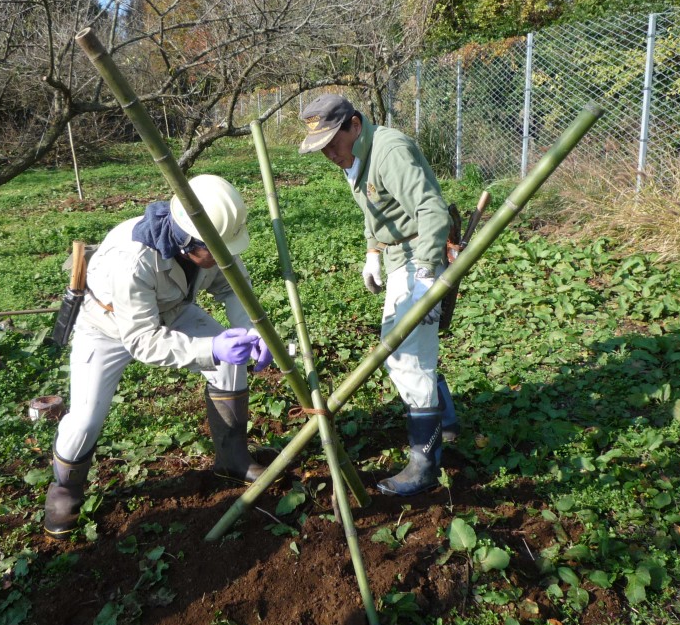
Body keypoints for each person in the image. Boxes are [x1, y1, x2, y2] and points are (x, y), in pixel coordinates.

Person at [44, 174, 273, 538]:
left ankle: (232, 457)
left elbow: (234, 288)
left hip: (173, 309)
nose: (225, 256)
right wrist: (210, 348)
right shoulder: (132, 260)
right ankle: (65, 489)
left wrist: (252, 330)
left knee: (231, 366)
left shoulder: (208, 245)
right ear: (188, 243)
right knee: (85, 419)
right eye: (218, 249)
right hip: (107, 326)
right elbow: (142, 340)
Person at [298, 94, 459, 497]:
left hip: (421, 252)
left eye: (333, 142)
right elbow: (375, 210)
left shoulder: (389, 151)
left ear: (355, 124)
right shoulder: (355, 154)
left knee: (405, 356)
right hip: (396, 256)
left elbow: (433, 211)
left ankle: (424, 467)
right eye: (321, 148)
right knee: (410, 351)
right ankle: (449, 426)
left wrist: (424, 275)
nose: (329, 154)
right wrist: (373, 252)